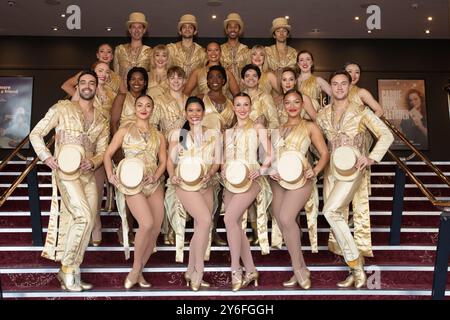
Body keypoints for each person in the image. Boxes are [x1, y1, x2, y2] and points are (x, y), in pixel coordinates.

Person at [29, 70, 109, 291]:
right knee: (82, 216)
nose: (87, 86)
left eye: (91, 83)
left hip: (88, 175)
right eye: (83, 82)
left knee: (87, 221)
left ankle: (73, 270)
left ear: (96, 87)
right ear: (77, 86)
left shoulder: (102, 117)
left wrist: (93, 162)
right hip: (66, 173)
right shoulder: (62, 108)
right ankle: (66, 269)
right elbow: (36, 133)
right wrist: (46, 157)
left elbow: (103, 150)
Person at [316, 70, 394, 288]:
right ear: (330, 87)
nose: (339, 87)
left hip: (353, 170)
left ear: (350, 86)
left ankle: (357, 267)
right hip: (332, 172)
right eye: (335, 84)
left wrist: (371, 158)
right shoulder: (322, 114)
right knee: (335, 215)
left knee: (329, 211)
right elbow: (319, 144)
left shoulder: (361, 110)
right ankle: (354, 268)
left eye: (343, 83)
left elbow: (386, 135)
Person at [104, 94, 166, 289]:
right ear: (135, 108)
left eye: (148, 105)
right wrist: (111, 175)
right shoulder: (125, 130)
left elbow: (163, 161)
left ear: (152, 109)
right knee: (146, 223)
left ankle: (138, 272)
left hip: (152, 183)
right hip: (132, 183)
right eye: (140, 105)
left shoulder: (160, 135)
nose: (144, 108)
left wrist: (156, 176)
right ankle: (134, 269)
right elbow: (107, 154)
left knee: (155, 229)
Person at [270, 89, 329, 289]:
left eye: (296, 102)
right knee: (283, 222)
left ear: (302, 104)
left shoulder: (310, 126)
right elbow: (270, 158)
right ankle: (301, 268)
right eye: (288, 102)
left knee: (287, 219)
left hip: (302, 179)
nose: (292, 106)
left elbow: (324, 153)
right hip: (279, 181)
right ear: (283, 105)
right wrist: (271, 170)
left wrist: (316, 169)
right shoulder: (276, 130)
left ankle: (299, 269)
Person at [166, 96, 222, 290]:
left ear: (204, 113)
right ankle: (199, 271)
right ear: (185, 113)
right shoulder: (180, 134)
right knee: (206, 221)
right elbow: (170, 161)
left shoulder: (213, 133)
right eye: (191, 110)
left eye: (198, 110)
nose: (195, 114)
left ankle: (190, 271)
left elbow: (217, 160)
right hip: (185, 185)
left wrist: (211, 173)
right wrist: (173, 176)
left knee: (202, 227)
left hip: (206, 184)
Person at [222, 92, 273, 291]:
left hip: (251, 179)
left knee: (228, 220)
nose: (242, 109)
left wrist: (260, 169)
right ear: (233, 108)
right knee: (235, 224)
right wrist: (224, 169)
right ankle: (251, 270)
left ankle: (235, 270)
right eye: (238, 105)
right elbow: (225, 157)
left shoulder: (257, 127)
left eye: (246, 105)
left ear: (250, 107)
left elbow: (271, 154)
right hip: (231, 181)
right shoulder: (228, 132)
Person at [110, 67, 149, 245]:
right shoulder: (121, 97)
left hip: (143, 150)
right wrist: (117, 153)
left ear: (145, 82)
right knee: (127, 189)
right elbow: (114, 122)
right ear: (128, 81)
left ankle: (142, 227)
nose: (136, 82)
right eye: (133, 79)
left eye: (140, 79)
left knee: (140, 189)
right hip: (125, 148)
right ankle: (125, 228)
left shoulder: (147, 101)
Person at [198, 65, 236, 246]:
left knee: (220, 193)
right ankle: (202, 231)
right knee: (204, 191)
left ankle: (214, 231)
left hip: (225, 152)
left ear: (223, 81)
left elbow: (234, 129)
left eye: (218, 77)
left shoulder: (231, 103)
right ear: (206, 80)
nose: (214, 79)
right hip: (205, 152)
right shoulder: (200, 99)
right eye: (211, 76)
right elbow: (188, 124)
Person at [151, 66, 188, 246]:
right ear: (167, 80)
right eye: (172, 78)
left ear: (184, 80)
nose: (176, 81)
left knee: (180, 190)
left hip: (185, 151)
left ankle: (177, 226)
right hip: (165, 149)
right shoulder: (159, 100)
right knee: (166, 190)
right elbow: (153, 126)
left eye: (179, 78)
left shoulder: (189, 100)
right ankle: (167, 229)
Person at [61, 43, 126, 96]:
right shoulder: (86, 73)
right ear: (97, 55)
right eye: (102, 51)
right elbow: (66, 86)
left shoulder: (118, 78)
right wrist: (83, 99)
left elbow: (124, 96)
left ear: (112, 57)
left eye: (108, 52)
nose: (105, 54)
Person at [114, 12, 152, 81]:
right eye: (134, 27)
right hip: (123, 90)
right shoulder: (119, 49)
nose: (136, 30)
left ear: (144, 31)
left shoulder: (150, 51)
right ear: (129, 30)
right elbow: (116, 75)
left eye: (139, 27)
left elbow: (151, 75)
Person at [167, 14, 206, 79]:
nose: (187, 29)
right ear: (180, 31)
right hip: (175, 86)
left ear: (195, 32)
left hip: (196, 88)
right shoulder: (171, 49)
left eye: (190, 27)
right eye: (184, 27)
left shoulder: (202, 52)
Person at [241, 64, 280, 129]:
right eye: (247, 76)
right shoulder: (239, 97)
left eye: (254, 76)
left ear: (259, 80)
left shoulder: (265, 97)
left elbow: (274, 121)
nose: (251, 78)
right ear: (243, 80)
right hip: (242, 136)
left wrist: (264, 134)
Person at [297, 50, 332, 114]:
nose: (305, 62)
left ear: (312, 62)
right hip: (294, 119)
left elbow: (335, 94)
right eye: (301, 60)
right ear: (298, 64)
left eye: (308, 59)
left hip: (312, 119)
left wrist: (327, 112)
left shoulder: (318, 80)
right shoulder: (293, 81)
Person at [220, 13, 250, 86]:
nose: (233, 29)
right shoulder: (219, 49)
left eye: (236, 27)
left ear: (239, 30)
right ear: (226, 30)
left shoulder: (246, 50)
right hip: (224, 89)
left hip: (243, 90)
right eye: (230, 27)